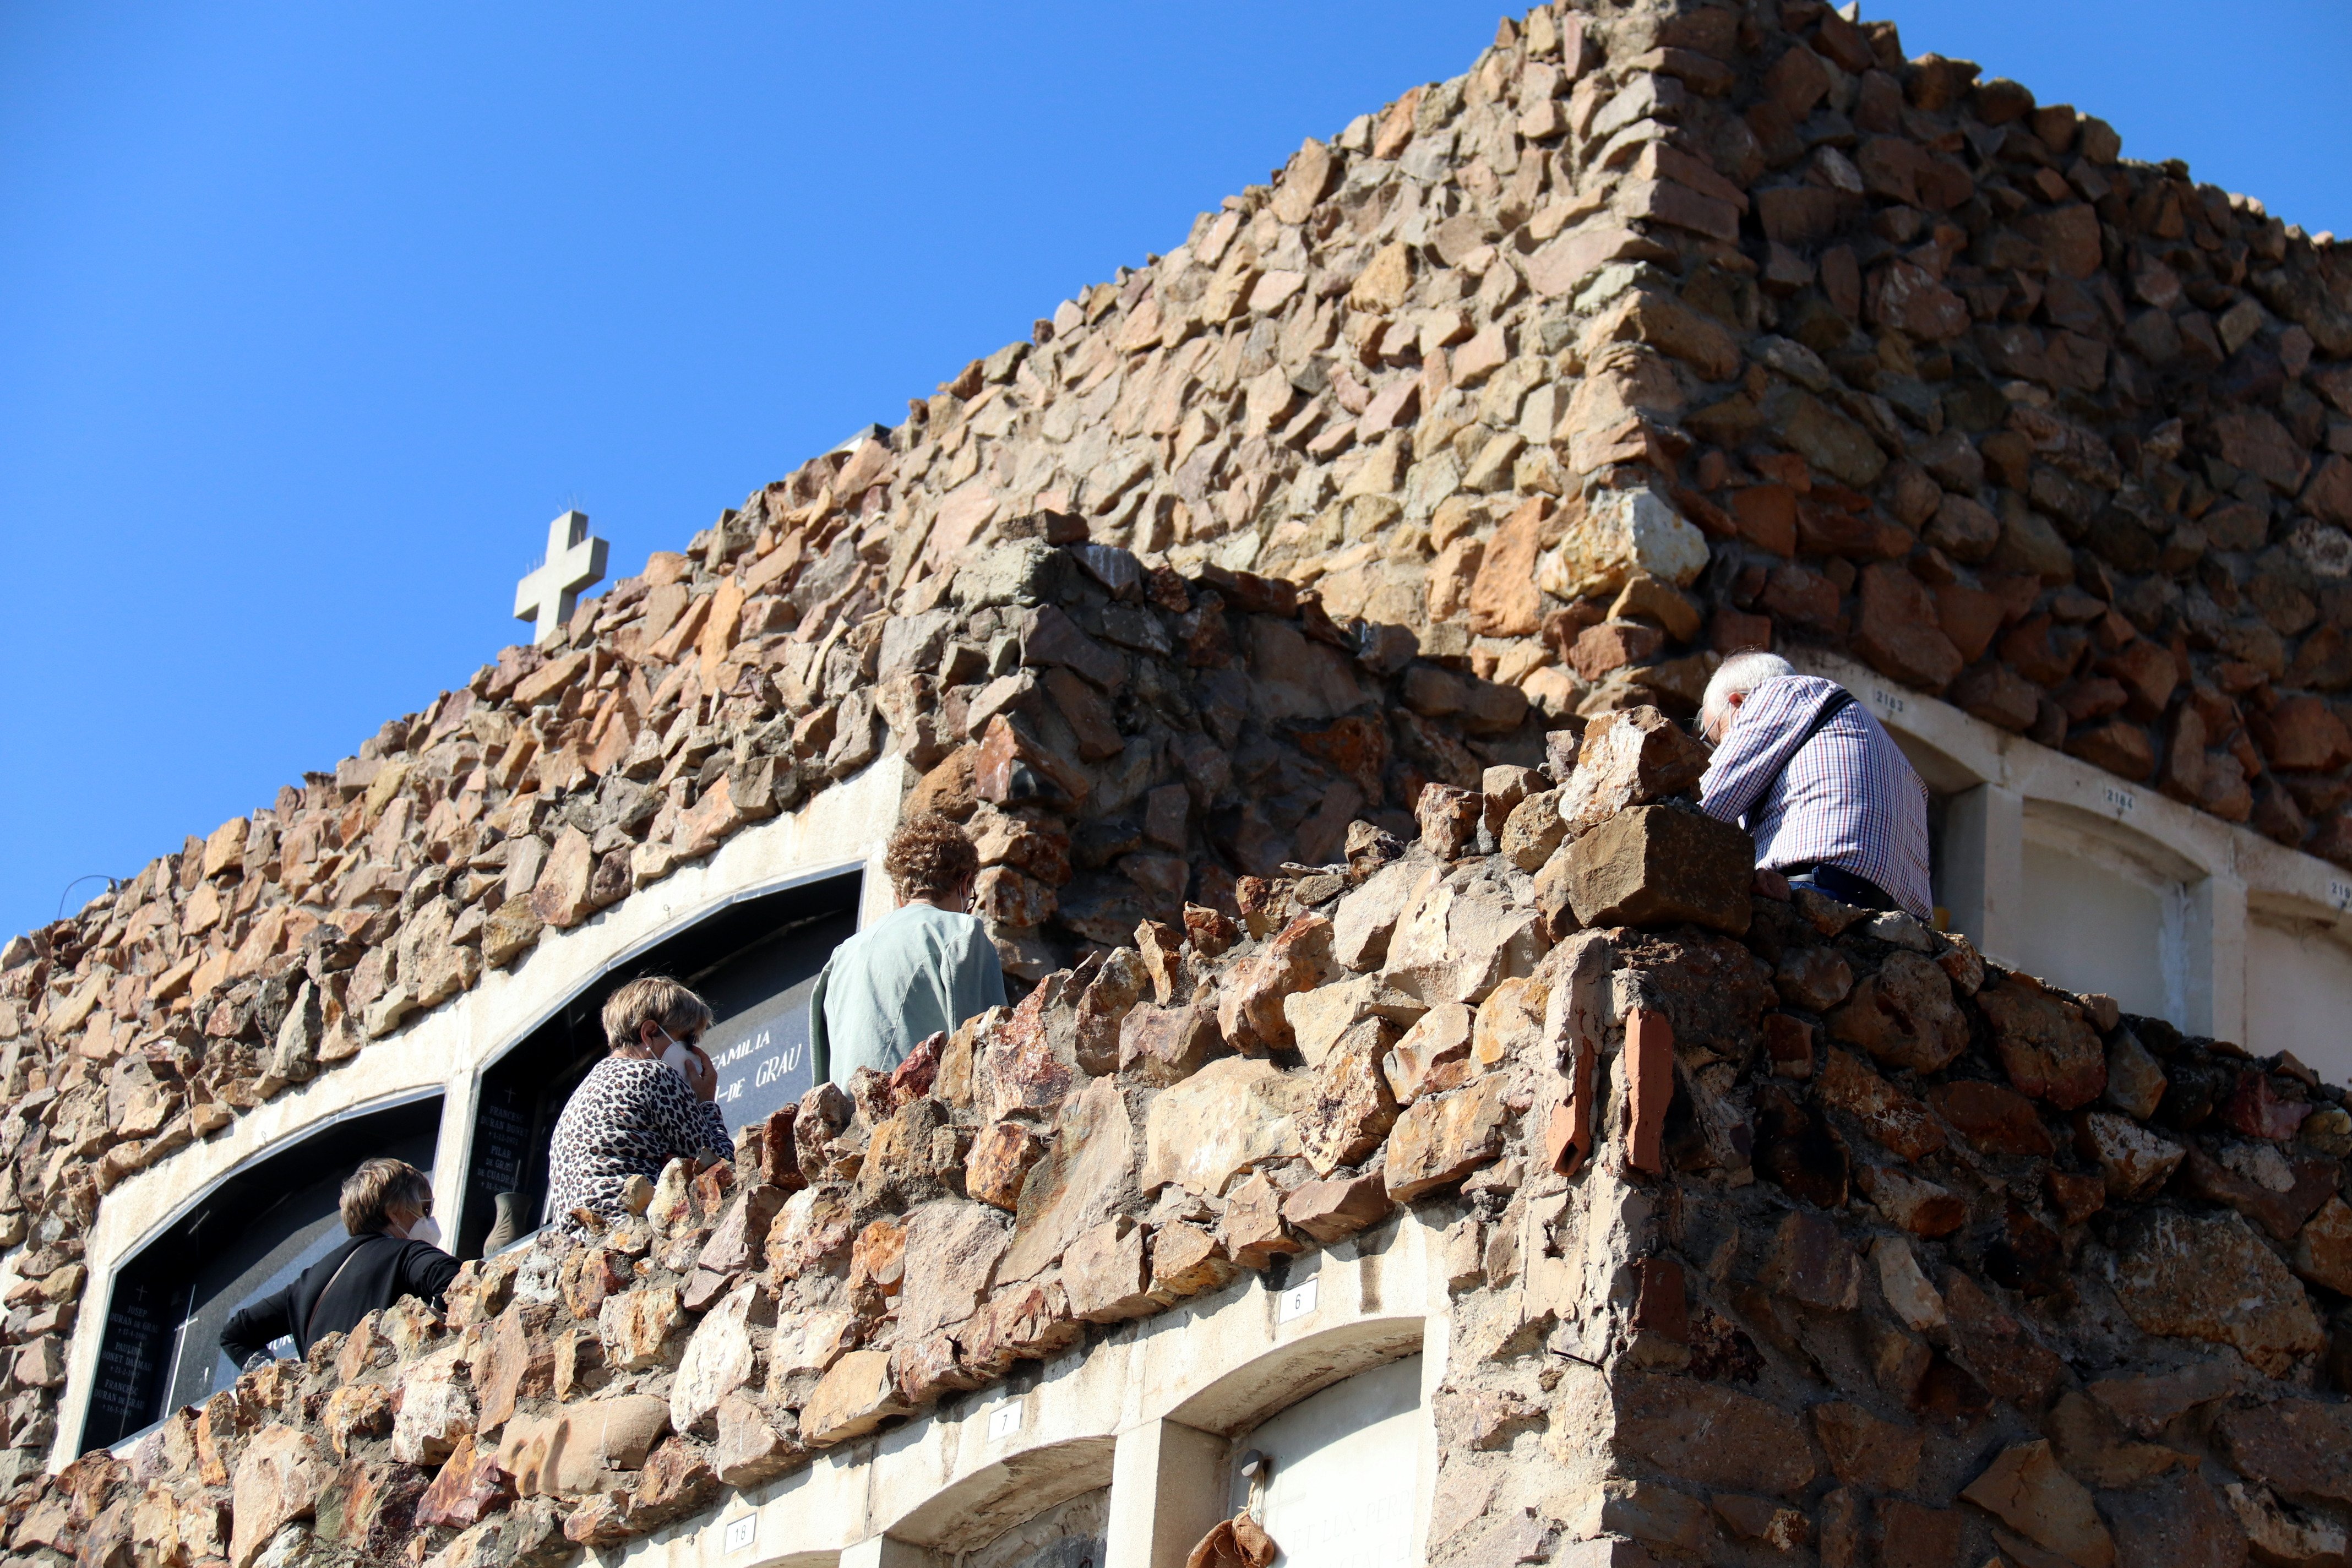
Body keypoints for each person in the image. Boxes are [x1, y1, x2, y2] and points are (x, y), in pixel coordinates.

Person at [1697, 651, 1934, 919]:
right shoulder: (1888, 752)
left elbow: (1703, 806)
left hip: (1815, 893)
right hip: (1898, 928)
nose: (1721, 749)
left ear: (1737, 703)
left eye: (1716, 737)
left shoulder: (1780, 693)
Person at [810, 814, 1006, 1083]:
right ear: (964, 884)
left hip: (851, 1121)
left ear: (899, 895)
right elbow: (990, 1052)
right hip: (920, 1115)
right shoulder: (961, 932)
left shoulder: (841, 956)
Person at [217, 1158, 458, 1373]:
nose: (429, 1218)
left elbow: (235, 1335)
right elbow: (453, 1278)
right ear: (394, 1212)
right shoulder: (406, 1253)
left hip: (327, 1413)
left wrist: (282, 1381)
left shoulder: (306, 1283)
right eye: (425, 1208)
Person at [544, 976, 731, 1227]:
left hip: (584, 1245)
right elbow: (718, 1165)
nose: (691, 1053)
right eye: (687, 1041)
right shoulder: (653, 1075)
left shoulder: (580, 1096)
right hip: (635, 1229)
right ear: (650, 1033)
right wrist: (706, 1103)